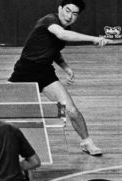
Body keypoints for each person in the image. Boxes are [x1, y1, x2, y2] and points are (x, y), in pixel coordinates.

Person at [8, 0, 111, 156]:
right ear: (60, 9)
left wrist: (65, 67)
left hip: (45, 72)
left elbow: (53, 50)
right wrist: (94, 38)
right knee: (4, 109)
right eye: (67, 10)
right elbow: (61, 34)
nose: (69, 16)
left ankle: (87, 143)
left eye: (74, 14)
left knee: (71, 110)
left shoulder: (66, 28)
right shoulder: (49, 20)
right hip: (25, 71)